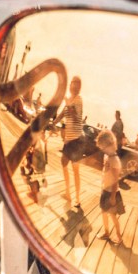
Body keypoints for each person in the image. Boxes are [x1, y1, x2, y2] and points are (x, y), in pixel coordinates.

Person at [54, 75, 85, 207]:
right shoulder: (70, 99)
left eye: (77, 84)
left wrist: (67, 103)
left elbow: (76, 116)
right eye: (74, 84)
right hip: (68, 140)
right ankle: (68, 193)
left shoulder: (78, 100)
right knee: (63, 163)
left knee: (75, 169)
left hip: (77, 141)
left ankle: (77, 198)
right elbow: (63, 113)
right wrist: (53, 123)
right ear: (70, 85)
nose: (75, 86)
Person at [96, 130, 125, 244]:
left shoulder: (115, 160)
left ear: (110, 145)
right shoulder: (107, 156)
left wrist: (113, 197)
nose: (102, 150)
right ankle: (106, 232)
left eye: (103, 147)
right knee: (103, 212)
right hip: (105, 190)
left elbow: (115, 181)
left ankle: (119, 237)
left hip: (112, 193)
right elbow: (105, 172)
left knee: (112, 215)